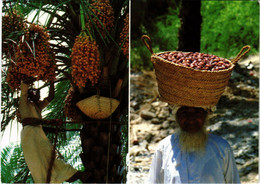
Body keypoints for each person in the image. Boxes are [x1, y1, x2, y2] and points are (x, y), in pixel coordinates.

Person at [19, 79, 89, 183]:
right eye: (33, 91)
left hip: (38, 134)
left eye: (38, 92)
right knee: (39, 163)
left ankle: (74, 174)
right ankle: (71, 175)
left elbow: (50, 97)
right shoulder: (24, 103)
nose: (36, 93)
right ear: (28, 94)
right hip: (29, 137)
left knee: (52, 156)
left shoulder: (37, 107)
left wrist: (51, 80)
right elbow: (31, 121)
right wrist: (36, 77)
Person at [148, 105, 240, 184]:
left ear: (205, 116)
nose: (191, 119)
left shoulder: (222, 147)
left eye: (197, 112)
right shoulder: (164, 148)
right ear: (177, 117)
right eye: (184, 112)